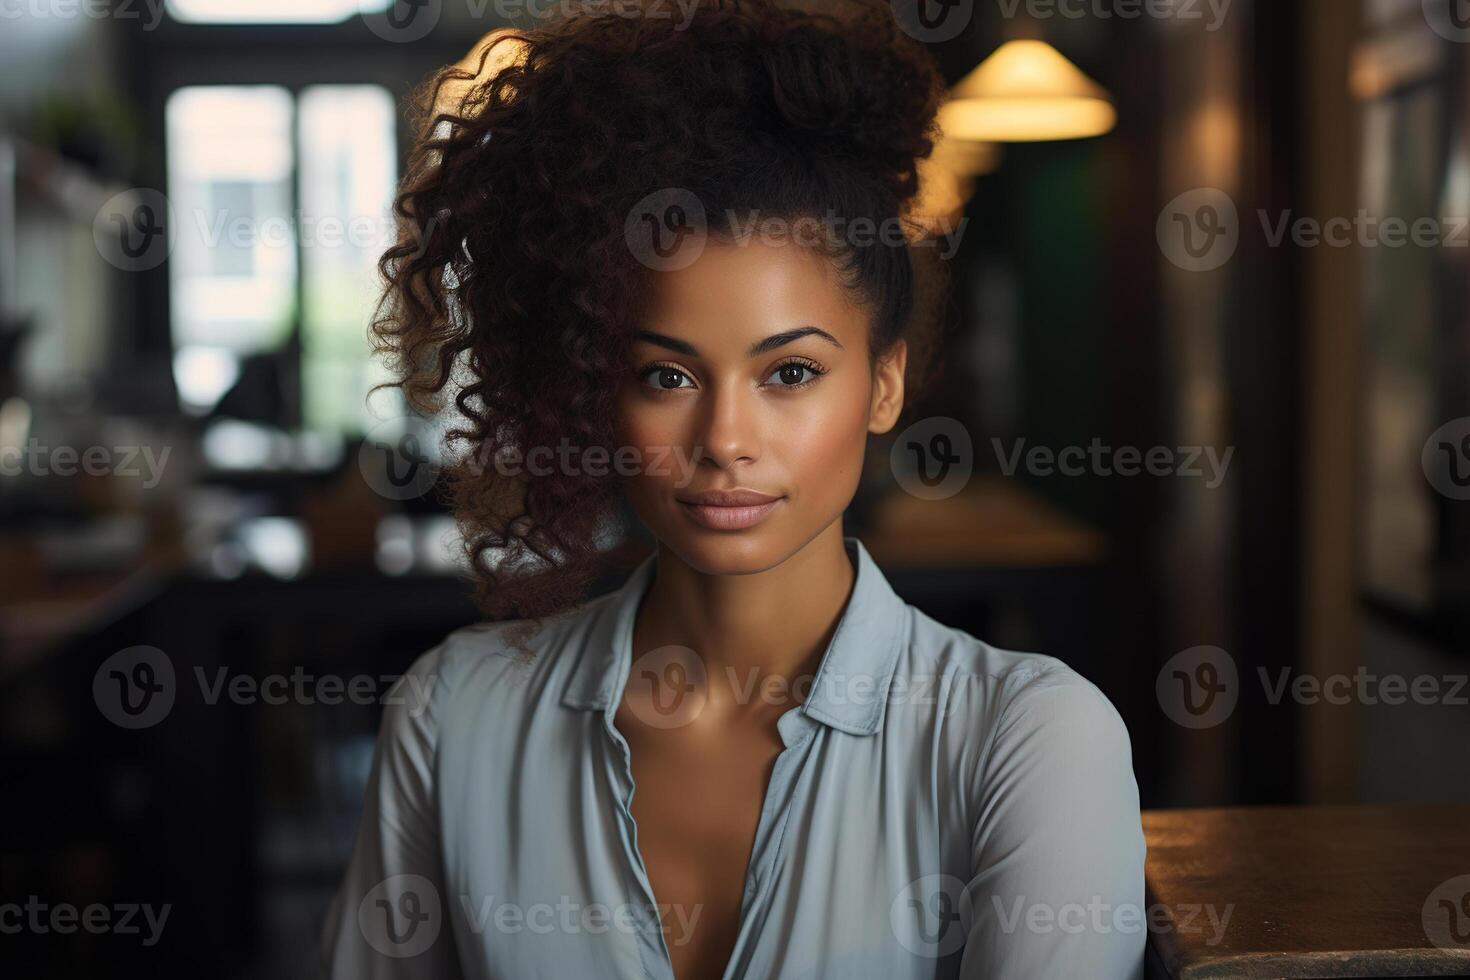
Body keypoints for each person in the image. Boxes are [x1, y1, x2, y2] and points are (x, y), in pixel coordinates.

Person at [322, 1, 1145, 976]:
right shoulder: (454, 717)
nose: (723, 441)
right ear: (598, 389)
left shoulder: (1027, 740)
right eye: (666, 375)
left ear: (884, 382)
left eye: (789, 373)